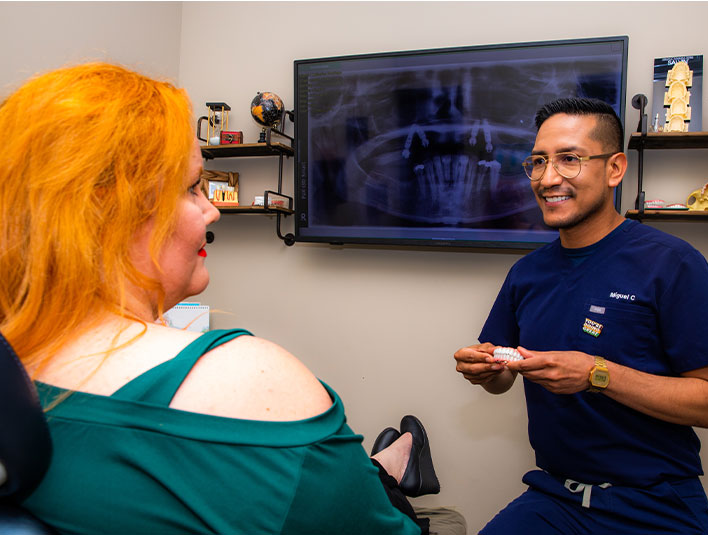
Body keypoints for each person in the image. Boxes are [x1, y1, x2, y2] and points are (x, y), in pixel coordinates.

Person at [0, 62, 439, 534]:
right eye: (191, 188)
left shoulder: (17, 367)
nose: (212, 210)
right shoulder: (253, 379)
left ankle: (388, 463)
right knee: (381, 492)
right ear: (111, 211)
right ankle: (391, 468)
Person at [454, 97, 708, 535]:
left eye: (570, 160)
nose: (549, 178)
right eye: (538, 162)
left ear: (614, 169)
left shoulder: (671, 263)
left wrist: (596, 373)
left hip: (653, 505)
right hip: (555, 498)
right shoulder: (528, 273)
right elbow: (501, 376)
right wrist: (485, 368)